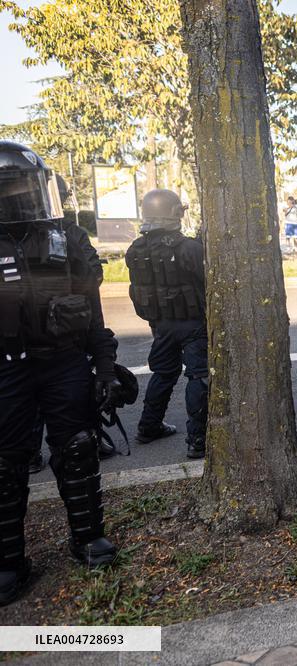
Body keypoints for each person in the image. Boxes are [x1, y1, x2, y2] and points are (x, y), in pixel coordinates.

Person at [0, 142, 120, 605]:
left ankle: (87, 538)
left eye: (28, 186)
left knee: (78, 448)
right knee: (6, 465)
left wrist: (106, 368)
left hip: (64, 360)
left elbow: (91, 310)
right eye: (12, 188)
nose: (22, 196)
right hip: (6, 369)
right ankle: (9, 561)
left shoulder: (65, 237)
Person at [125, 189, 208, 460]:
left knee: (163, 373)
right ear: (174, 214)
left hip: (160, 325)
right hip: (192, 323)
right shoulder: (189, 248)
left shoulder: (136, 250)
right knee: (198, 376)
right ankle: (197, 440)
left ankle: (149, 426)